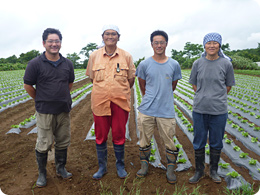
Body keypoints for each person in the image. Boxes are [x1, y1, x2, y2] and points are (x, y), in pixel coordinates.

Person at [23, 28, 75, 187]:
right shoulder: (35, 64)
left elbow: (69, 84)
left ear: (60, 43)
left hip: (63, 110)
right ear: (44, 43)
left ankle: (61, 168)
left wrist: (61, 97)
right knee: (44, 143)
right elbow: (28, 85)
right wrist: (40, 98)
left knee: (63, 141)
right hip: (45, 111)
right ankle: (42, 173)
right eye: (51, 41)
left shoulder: (67, 64)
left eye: (57, 41)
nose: (54, 44)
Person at [86, 24, 136, 180]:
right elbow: (91, 78)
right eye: (107, 34)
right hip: (100, 102)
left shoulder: (126, 56)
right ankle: (102, 167)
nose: (110, 36)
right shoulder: (94, 56)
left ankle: (120, 166)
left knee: (119, 135)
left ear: (118, 37)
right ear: (102, 36)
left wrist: (117, 90)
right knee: (100, 136)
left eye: (113, 34)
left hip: (120, 102)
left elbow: (131, 79)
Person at [135, 30, 182, 184]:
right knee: (144, 139)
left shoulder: (174, 64)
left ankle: (170, 168)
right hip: (147, 110)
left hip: (166, 110)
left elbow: (172, 86)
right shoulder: (144, 64)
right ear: (152, 45)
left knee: (169, 140)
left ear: (166, 44)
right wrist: (149, 97)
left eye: (162, 42)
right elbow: (142, 84)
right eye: (156, 42)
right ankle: (144, 165)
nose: (159, 45)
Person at [188, 32, 235, 184]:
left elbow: (228, 86)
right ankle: (199, 171)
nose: (212, 46)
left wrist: (216, 96)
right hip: (200, 109)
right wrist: (204, 95)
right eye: (209, 43)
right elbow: (195, 84)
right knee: (199, 141)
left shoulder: (226, 64)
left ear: (219, 45)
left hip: (218, 111)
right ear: (204, 45)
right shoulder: (197, 63)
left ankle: (213, 171)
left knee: (216, 142)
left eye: (215, 43)